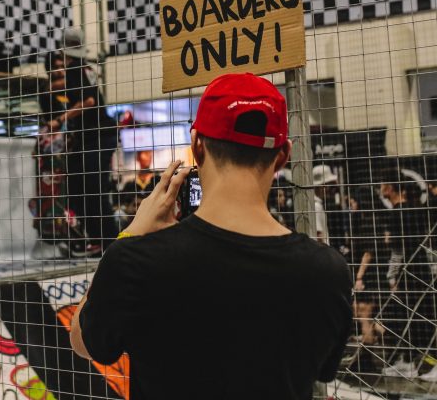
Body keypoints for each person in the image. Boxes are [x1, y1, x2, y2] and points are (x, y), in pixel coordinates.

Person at [70, 73, 353, 399]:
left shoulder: (135, 261)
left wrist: (131, 234)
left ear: (197, 146)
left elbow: (82, 341)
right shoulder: (327, 273)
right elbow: (322, 368)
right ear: (283, 155)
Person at [47, 28, 118, 257]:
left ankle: (109, 242)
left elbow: (88, 101)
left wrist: (60, 120)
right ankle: (97, 239)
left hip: (98, 136)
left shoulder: (75, 69)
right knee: (78, 187)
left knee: (92, 189)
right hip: (91, 137)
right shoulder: (83, 68)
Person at [377, 169, 435, 380]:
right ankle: (409, 361)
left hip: (407, 273)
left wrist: (392, 277)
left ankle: (416, 362)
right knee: (418, 317)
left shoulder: (396, 213)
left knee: (411, 318)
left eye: (382, 184)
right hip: (422, 270)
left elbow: (397, 251)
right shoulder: (415, 209)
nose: (380, 189)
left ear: (391, 187)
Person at [312, 164, 337, 245]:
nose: (332, 190)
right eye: (330, 185)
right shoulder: (316, 206)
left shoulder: (316, 204)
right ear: (322, 186)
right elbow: (319, 236)